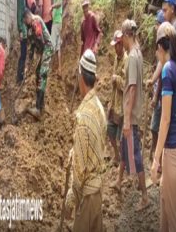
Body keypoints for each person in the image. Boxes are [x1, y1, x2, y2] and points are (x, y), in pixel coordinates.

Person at [150, 22, 176, 232]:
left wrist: (156, 159)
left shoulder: (168, 70)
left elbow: (165, 120)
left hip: (174, 154)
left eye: (156, 50)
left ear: (160, 47)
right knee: (164, 201)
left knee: (174, 220)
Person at [65, 49, 107, 231]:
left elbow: (80, 171)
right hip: (97, 192)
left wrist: (70, 200)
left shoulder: (83, 118)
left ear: (81, 77)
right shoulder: (98, 107)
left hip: (88, 197)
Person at [111, 19, 149, 211]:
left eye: (123, 39)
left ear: (127, 36)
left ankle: (144, 196)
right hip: (132, 114)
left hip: (131, 116)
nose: (122, 44)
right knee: (125, 148)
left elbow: (132, 89)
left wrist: (126, 120)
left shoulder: (133, 57)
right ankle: (118, 181)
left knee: (134, 155)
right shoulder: (138, 53)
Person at [23, 9, 54, 119]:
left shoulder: (35, 21)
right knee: (37, 74)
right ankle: (41, 105)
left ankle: (38, 108)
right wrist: (28, 66)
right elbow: (31, 49)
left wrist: (38, 54)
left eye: (25, 21)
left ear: (28, 18)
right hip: (43, 50)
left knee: (42, 74)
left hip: (47, 48)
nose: (26, 25)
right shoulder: (30, 27)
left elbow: (40, 38)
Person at [107, 30, 128, 165]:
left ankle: (122, 160)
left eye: (117, 45)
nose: (115, 48)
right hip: (114, 101)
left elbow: (127, 84)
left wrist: (117, 79)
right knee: (110, 130)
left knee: (120, 137)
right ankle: (116, 155)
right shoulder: (116, 58)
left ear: (121, 44)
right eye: (114, 46)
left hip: (122, 104)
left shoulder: (126, 60)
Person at [147, 10, 164, 162]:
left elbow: (162, 70)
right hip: (158, 92)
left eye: (157, 24)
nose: (156, 27)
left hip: (162, 95)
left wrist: (156, 95)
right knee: (154, 128)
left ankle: (157, 156)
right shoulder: (160, 41)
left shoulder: (164, 44)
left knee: (156, 127)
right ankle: (154, 153)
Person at [50, 0, 63, 77]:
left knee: (52, 44)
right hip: (58, 21)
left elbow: (59, 2)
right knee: (58, 45)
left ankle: (50, 69)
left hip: (57, 21)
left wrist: (52, 7)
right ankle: (59, 69)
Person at [17, 0, 28, 84]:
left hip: (25, 31)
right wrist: (20, 30)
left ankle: (21, 76)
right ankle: (19, 78)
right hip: (22, 32)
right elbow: (19, 16)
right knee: (23, 54)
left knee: (24, 54)